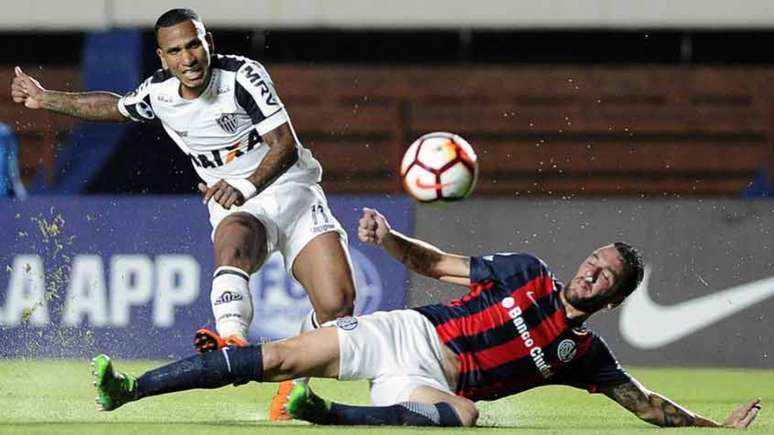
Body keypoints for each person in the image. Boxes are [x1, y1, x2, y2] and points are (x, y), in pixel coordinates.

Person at [91, 207, 761, 428]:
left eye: (606, 275)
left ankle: (326, 414)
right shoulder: (525, 270)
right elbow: (441, 265)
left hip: (425, 387)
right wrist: (390, 242)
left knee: (467, 417)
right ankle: (130, 388)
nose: (591, 270)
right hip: (405, 334)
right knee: (271, 357)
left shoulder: (583, 355)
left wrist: (711, 425)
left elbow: (644, 404)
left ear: (613, 297)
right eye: (593, 259)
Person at [11, 8, 356, 420]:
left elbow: (283, 144)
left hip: (292, 192)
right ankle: (232, 338)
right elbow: (117, 107)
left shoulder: (242, 76)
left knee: (338, 305)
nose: (188, 58)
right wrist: (45, 98)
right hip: (236, 203)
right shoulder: (159, 94)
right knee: (233, 240)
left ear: (208, 42)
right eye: (176, 51)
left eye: (194, 45)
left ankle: (293, 384)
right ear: (163, 58)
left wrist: (243, 184)